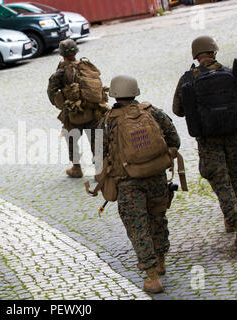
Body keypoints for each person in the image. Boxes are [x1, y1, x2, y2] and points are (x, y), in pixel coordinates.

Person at [96, 75, 181, 293]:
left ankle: (152, 276)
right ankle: (161, 261)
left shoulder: (105, 122)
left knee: (138, 226)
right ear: (135, 91)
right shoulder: (152, 112)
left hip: (127, 183)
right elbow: (174, 139)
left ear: (113, 93)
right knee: (158, 217)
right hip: (156, 176)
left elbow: (97, 157)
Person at [173, 35, 237, 247]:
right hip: (233, 134)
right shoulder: (229, 72)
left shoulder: (188, 78)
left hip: (208, 140)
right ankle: (231, 217)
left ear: (196, 55)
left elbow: (177, 110)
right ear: (214, 52)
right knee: (232, 173)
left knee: (219, 180)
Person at [47, 39, 109, 178]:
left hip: (73, 114)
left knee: (71, 138)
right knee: (96, 140)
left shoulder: (60, 72)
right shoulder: (86, 66)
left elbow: (51, 92)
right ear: (76, 52)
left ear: (61, 54)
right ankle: (99, 172)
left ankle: (76, 168)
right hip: (93, 111)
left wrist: (61, 104)